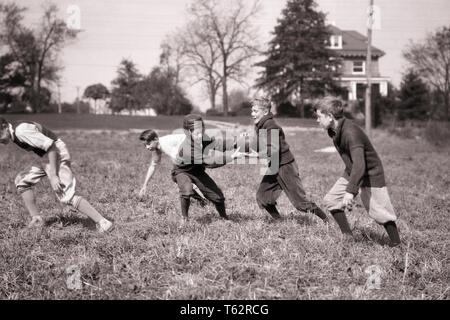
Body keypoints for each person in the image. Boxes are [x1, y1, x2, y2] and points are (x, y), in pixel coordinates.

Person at [314, 96, 401, 247]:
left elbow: (360, 164)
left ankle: (397, 245)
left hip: (370, 173)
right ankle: (348, 237)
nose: (317, 120)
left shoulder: (350, 132)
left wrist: (350, 191)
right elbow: (354, 165)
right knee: (332, 200)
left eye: (319, 116)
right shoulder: (334, 130)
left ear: (329, 116)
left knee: (380, 212)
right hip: (352, 171)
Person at [0, 117, 113, 233]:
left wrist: (54, 175)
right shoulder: (16, 132)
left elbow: (51, 146)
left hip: (56, 153)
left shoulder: (21, 131)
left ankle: (103, 222)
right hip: (46, 157)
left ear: (4, 125)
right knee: (21, 180)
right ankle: (37, 219)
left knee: (65, 194)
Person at [143, 114, 242, 223]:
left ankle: (224, 218)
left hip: (197, 171)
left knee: (218, 197)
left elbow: (217, 144)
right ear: (189, 133)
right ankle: (184, 219)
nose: (200, 136)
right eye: (197, 133)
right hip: (182, 171)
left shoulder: (202, 138)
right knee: (186, 191)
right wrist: (231, 157)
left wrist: (235, 143)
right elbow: (208, 162)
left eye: (202, 132)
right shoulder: (187, 148)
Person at [248, 97, 329, 223]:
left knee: (301, 204)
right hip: (274, 165)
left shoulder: (271, 126)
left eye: (255, 111)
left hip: (286, 167)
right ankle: (279, 221)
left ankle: (327, 220)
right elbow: (259, 144)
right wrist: (241, 147)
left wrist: (255, 156)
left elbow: (273, 150)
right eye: (252, 111)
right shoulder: (261, 125)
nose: (252, 114)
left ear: (265, 112)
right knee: (263, 197)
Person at [138, 129, 208, 206]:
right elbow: (153, 166)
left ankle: (205, 198)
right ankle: (203, 198)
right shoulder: (156, 147)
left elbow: (178, 159)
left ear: (155, 139)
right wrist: (145, 185)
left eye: (148, 144)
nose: (147, 147)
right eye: (145, 145)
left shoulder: (164, 143)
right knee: (178, 176)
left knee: (179, 175)